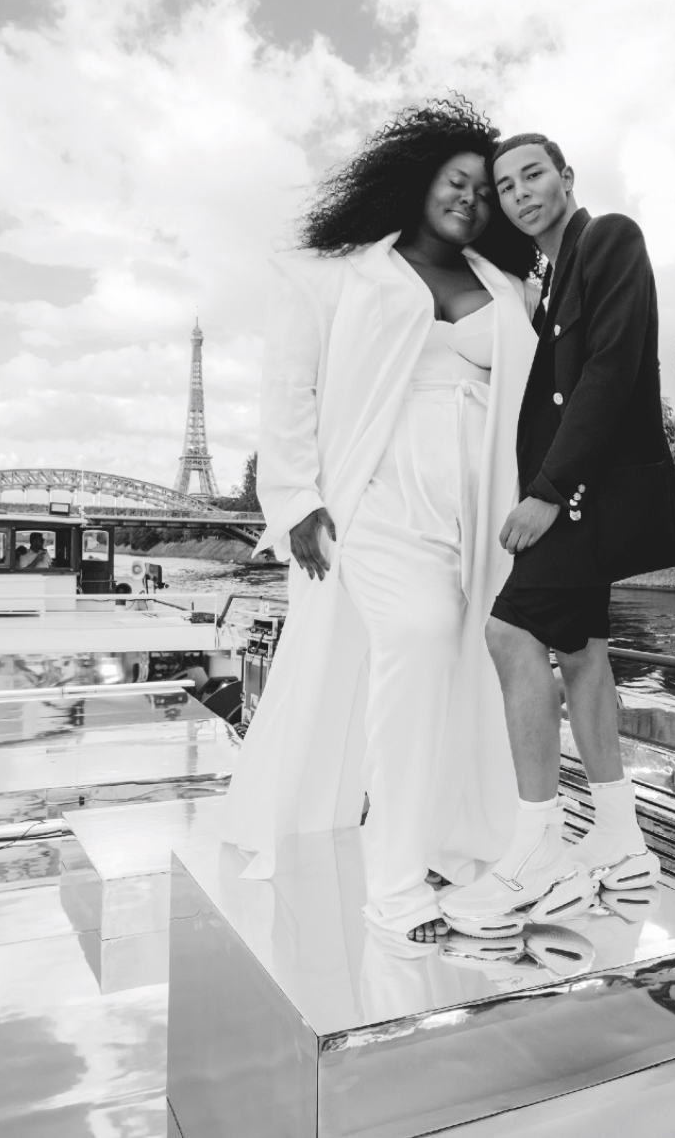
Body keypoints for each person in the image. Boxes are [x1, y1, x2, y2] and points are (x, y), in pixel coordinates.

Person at [222, 97, 540, 941]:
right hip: (379, 501)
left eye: (486, 191)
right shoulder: (338, 273)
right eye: (457, 180)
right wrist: (296, 499)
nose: (471, 198)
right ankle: (394, 882)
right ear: (418, 178)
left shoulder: (506, 285)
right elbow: (289, 390)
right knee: (421, 642)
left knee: (468, 670)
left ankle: (454, 843)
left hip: (481, 511)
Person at [441, 132, 675, 933]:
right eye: (506, 185)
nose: (520, 192)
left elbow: (611, 370)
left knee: (509, 632)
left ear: (566, 177)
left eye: (533, 175)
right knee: (583, 654)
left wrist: (549, 492)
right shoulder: (548, 280)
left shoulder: (610, 237)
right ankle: (621, 839)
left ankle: (535, 854)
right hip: (579, 498)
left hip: (587, 499)